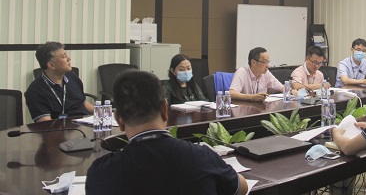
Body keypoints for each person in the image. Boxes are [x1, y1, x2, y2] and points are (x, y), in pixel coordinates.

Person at [86, 70, 247, 195]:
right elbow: (241, 188)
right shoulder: (202, 157)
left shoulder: (100, 173)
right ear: (164, 109)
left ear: (119, 120)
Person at [25, 41, 93, 122]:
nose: (69, 59)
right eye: (64, 57)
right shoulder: (35, 90)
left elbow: (82, 102)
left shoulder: (72, 77)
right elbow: (45, 123)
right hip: (61, 128)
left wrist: (101, 114)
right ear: (51, 65)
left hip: (85, 124)